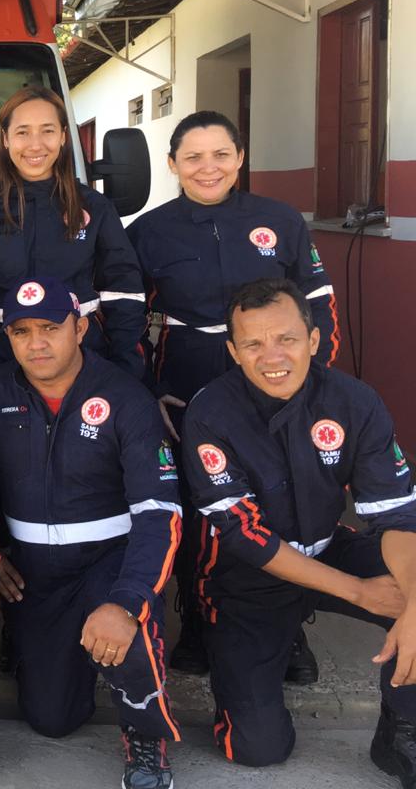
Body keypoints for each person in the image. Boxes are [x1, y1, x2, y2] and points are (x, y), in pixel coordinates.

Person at [129, 109, 338, 678]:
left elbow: (318, 305)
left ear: (240, 157)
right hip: (187, 383)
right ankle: (198, 622)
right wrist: (150, 393)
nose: (208, 167)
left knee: (279, 502)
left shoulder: (280, 220)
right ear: (172, 165)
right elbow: (127, 325)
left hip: (275, 381)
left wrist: (310, 385)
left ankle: (290, 626)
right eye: (192, 157)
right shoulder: (147, 232)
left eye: (221, 154)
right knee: (201, 509)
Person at [181, 278, 416, 778]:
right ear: (233, 351)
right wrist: (359, 592)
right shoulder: (210, 412)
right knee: (258, 748)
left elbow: (395, 516)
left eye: (286, 338)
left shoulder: (356, 401)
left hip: (327, 547)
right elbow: (246, 537)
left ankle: (403, 730)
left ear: (313, 340)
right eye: (253, 343)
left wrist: (414, 604)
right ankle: (254, 650)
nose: (272, 356)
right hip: (245, 578)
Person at [0, 275, 181, 789]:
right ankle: (54, 650)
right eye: (20, 332)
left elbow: (160, 512)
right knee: (52, 719)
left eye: (50, 328)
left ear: (79, 327)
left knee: (128, 620)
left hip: (109, 559)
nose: (36, 343)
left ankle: (146, 737)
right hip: (34, 572)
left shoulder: (125, 397)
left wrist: (126, 600)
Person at [0, 86, 145, 382]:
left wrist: (124, 369)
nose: (35, 145)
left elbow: (123, 292)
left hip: (85, 362)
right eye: (23, 132)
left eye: (47, 131)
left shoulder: (95, 208)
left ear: (64, 136)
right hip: (0, 364)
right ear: (5, 139)